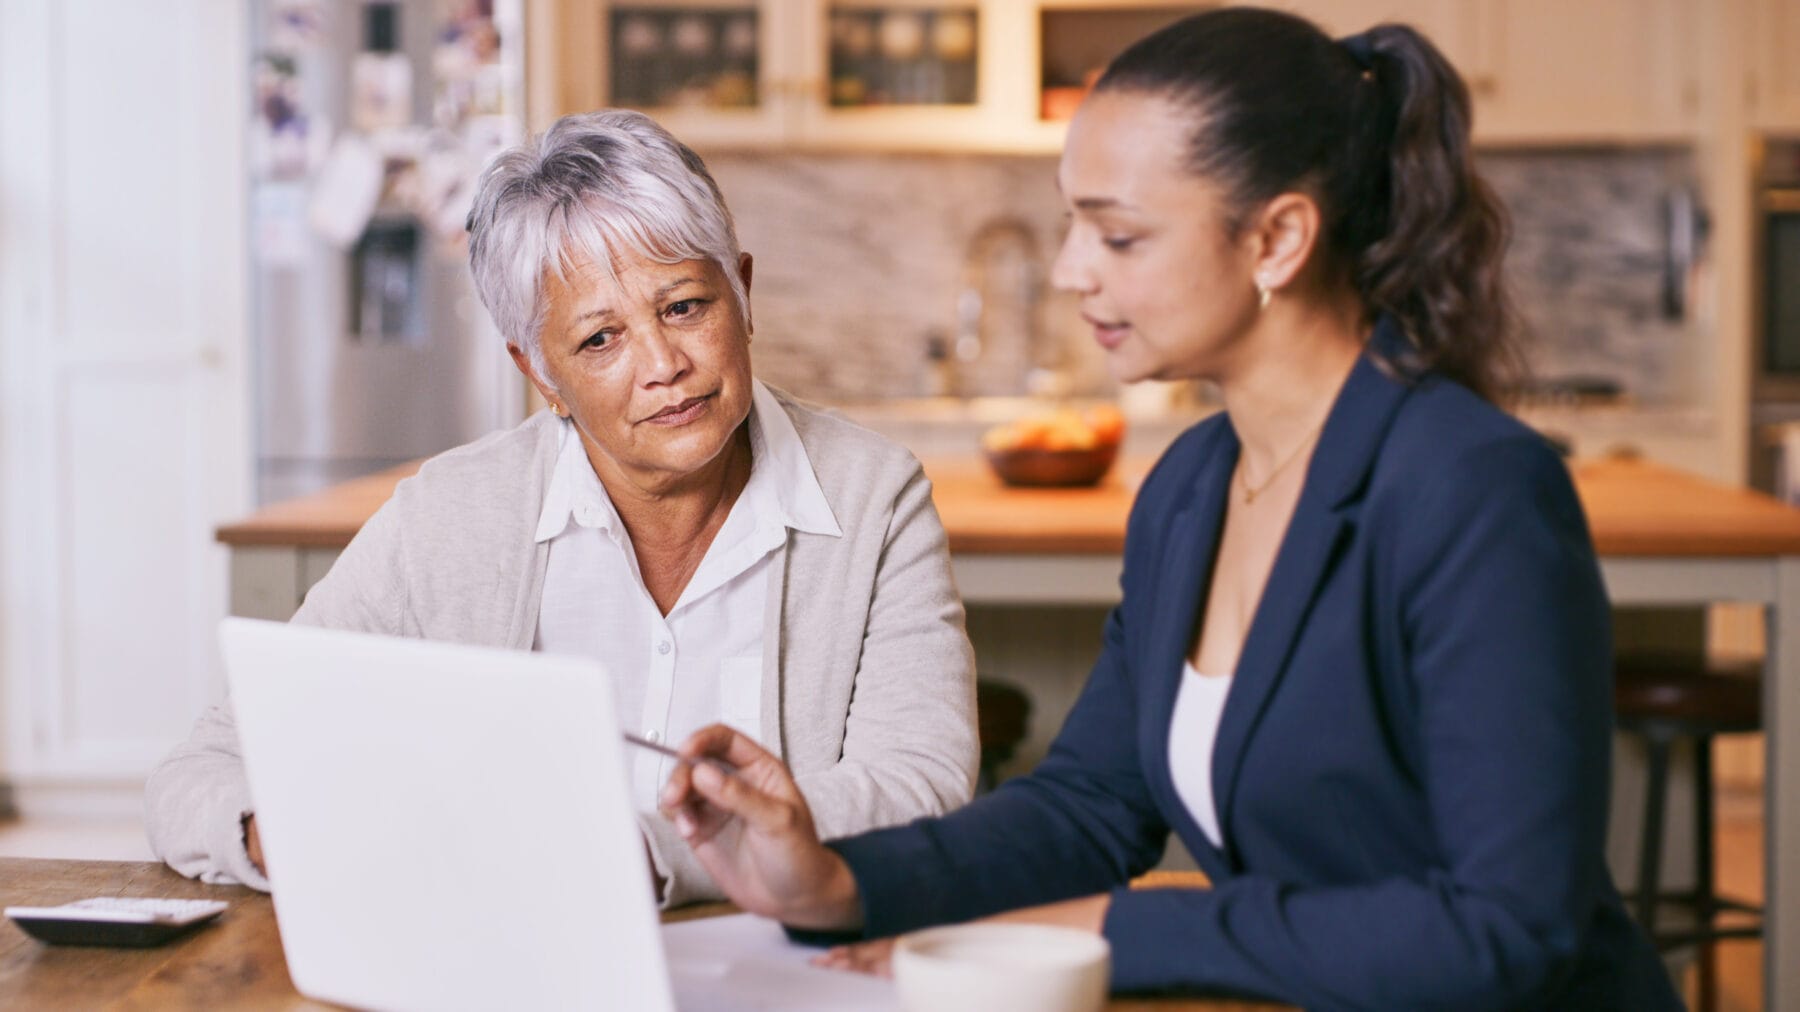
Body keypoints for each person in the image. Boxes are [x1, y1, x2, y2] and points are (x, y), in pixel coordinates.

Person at [656, 9, 1682, 1008]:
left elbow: (1506, 929)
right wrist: (836, 881)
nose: (1070, 272)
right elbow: (1093, 805)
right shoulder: (1193, 485)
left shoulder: (1473, 490)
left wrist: (1114, 929)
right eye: (1073, 225)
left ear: (1277, 237)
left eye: (1119, 235)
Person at [145, 110, 979, 908]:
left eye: (685, 306)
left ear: (744, 294)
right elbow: (202, 772)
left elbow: (921, 782)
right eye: (598, 340)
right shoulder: (448, 518)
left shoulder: (874, 497)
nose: (663, 364)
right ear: (540, 371)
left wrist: (647, 852)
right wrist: (278, 833)